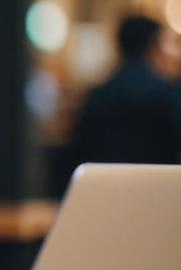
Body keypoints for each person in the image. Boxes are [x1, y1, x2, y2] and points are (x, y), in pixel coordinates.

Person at [68, 14, 181, 170]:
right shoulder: (165, 94)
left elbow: (79, 152)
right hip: (155, 188)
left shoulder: (98, 95)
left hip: (105, 187)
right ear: (153, 46)